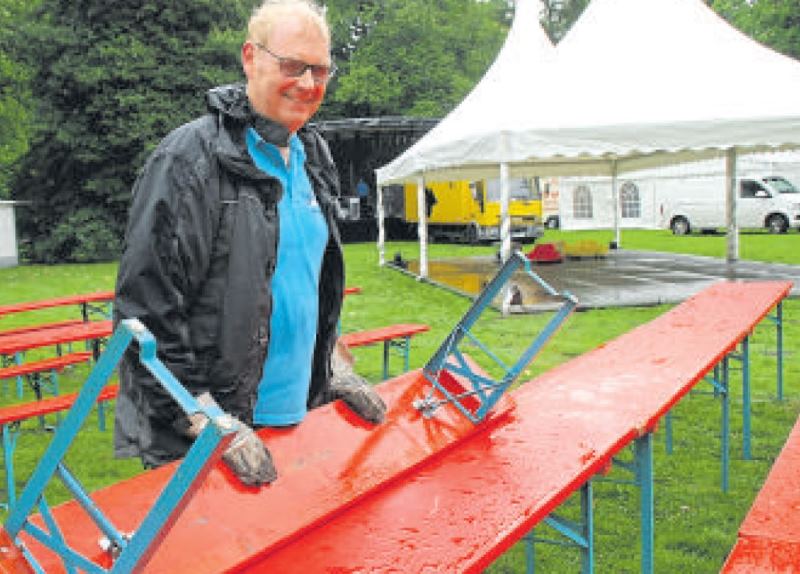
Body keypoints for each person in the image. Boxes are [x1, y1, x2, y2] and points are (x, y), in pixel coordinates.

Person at [113, 0, 386, 487]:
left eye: (320, 70)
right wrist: (207, 420)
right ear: (250, 58)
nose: (307, 83)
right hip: (210, 443)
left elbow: (305, 278)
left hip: (300, 417)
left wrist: (334, 366)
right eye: (291, 65)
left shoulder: (313, 153)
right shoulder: (189, 159)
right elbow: (143, 315)